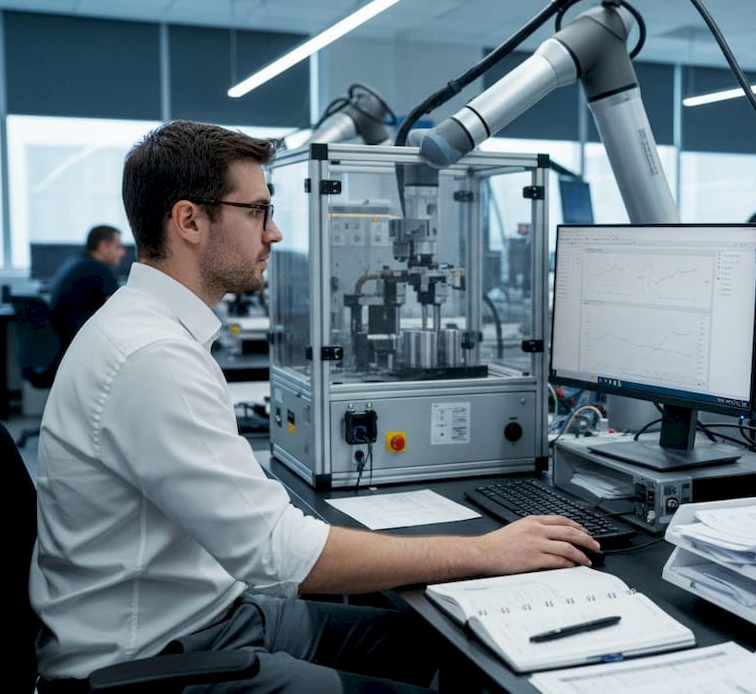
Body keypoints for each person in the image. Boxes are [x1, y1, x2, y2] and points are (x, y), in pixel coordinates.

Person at [30, 120, 600, 693]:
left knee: (449, 650)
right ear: (189, 221)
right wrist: (484, 552)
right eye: (256, 211)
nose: (274, 233)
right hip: (154, 665)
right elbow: (280, 556)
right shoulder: (151, 356)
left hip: (214, 616)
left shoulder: (147, 329)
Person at [48, 225, 126, 357]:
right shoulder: (96, 268)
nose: (122, 253)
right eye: (118, 247)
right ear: (104, 246)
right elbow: (121, 306)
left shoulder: (76, 262)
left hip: (65, 341)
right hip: (78, 343)